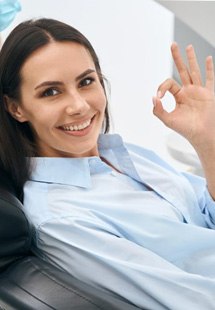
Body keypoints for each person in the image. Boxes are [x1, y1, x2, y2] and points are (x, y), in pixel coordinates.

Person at [1, 18, 215, 310]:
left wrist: (207, 141)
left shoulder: (123, 155)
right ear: (16, 108)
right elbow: (192, 300)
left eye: (86, 81)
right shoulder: (63, 219)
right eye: (51, 92)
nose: (78, 106)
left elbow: (207, 218)